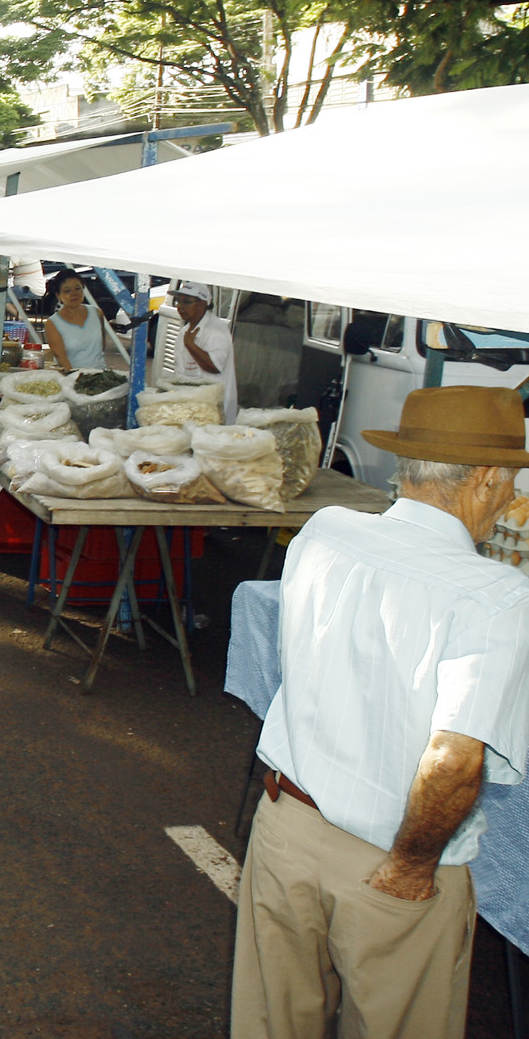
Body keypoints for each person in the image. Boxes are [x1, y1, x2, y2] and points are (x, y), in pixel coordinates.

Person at [231, 385, 529, 1039]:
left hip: (286, 826)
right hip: (393, 859)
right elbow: (453, 760)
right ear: (481, 479)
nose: (512, 498)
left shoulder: (325, 530)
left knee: (269, 1023)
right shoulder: (498, 595)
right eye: (511, 481)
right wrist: (411, 866)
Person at [172, 279, 237, 422]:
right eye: (179, 301)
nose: (180, 307)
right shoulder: (185, 331)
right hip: (192, 409)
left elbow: (214, 366)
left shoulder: (216, 330)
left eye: (187, 302)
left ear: (203, 304)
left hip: (213, 413)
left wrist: (190, 345)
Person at [42, 270, 108, 370]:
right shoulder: (53, 323)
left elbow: (102, 346)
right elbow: (62, 359)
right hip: (72, 379)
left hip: (101, 376)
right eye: (67, 291)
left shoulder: (97, 313)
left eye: (78, 288)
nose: (74, 294)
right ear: (58, 296)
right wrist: (77, 380)